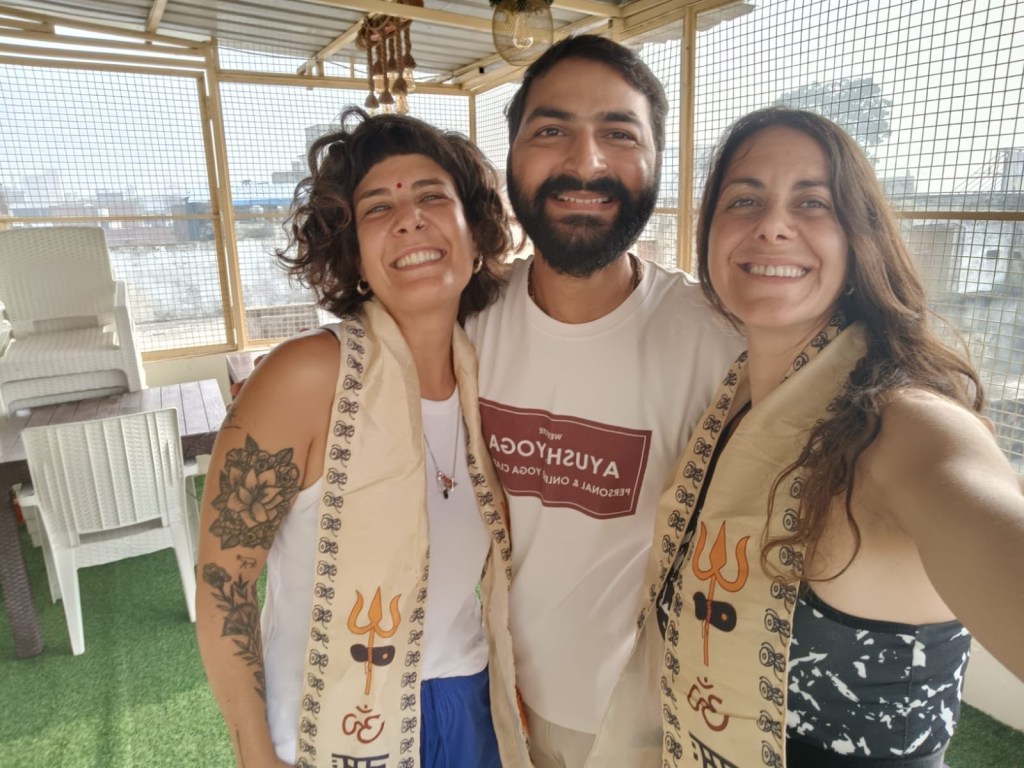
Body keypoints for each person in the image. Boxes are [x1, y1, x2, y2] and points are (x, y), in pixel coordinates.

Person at [640, 107, 1024, 767]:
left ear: (858, 238)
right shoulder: (733, 403)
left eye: (813, 202)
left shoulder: (903, 426)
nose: (772, 225)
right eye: (744, 200)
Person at [195, 108, 531, 768]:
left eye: (433, 197)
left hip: (467, 702)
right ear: (352, 254)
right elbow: (222, 586)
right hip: (331, 721)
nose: (409, 219)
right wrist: (255, 756)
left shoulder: (491, 374)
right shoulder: (306, 376)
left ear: (475, 233)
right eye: (378, 207)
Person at [464, 34, 741, 767]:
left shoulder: (719, 342)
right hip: (487, 695)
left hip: (645, 721)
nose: (585, 163)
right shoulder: (465, 326)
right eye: (550, 130)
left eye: (619, 134)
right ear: (511, 158)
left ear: (656, 161)